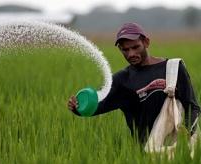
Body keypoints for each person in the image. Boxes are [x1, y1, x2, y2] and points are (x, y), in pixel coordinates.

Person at [68, 22, 200, 143]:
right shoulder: (122, 80)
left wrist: (185, 137)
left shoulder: (173, 68)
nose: (131, 54)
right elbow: (97, 106)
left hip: (177, 147)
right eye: (125, 50)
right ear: (120, 49)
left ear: (146, 42)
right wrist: (77, 108)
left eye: (135, 47)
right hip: (146, 154)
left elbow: (192, 106)